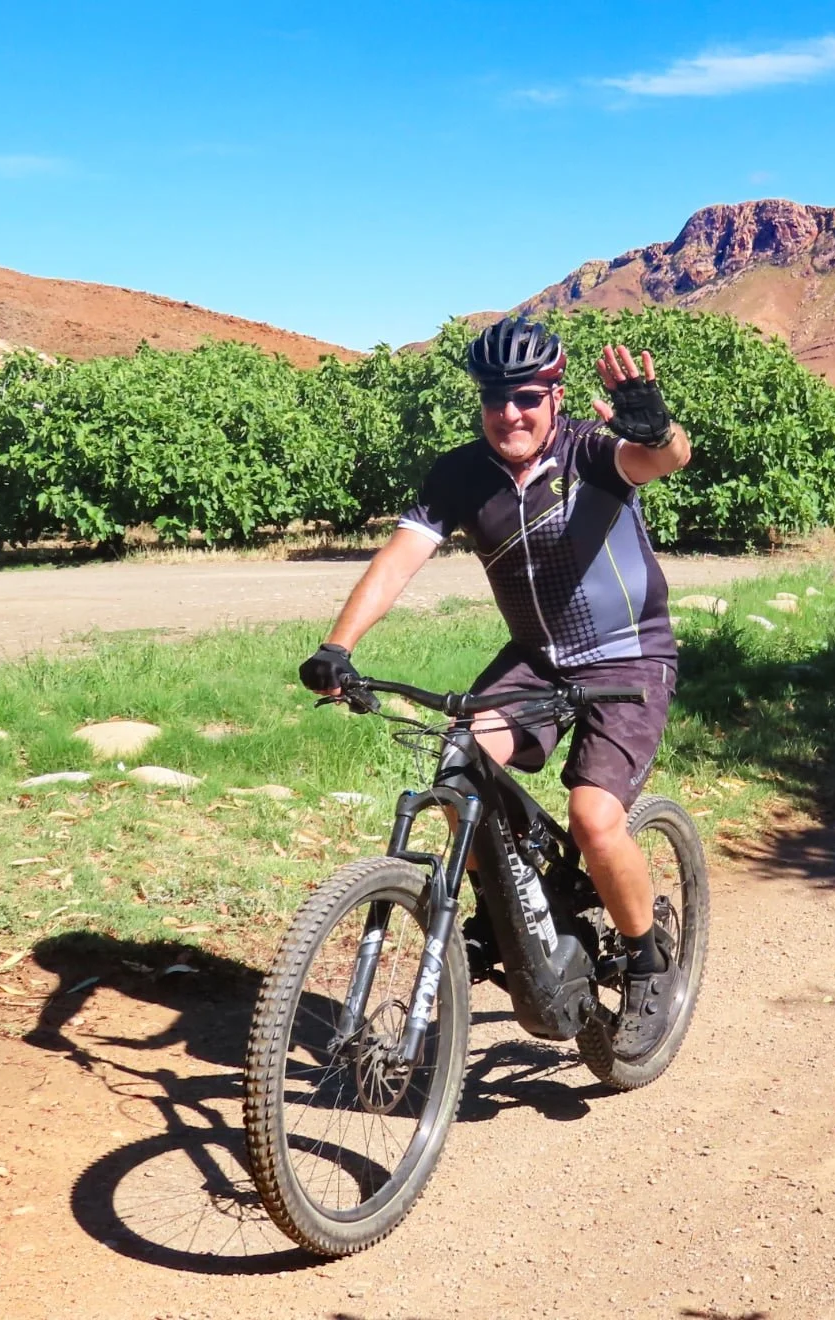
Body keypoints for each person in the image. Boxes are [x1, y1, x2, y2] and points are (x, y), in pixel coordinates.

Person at [299, 316, 691, 1058]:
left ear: (555, 396)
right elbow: (399, 557)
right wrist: (337, 646)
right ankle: (511, 912)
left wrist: (660, 426)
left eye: (526, 397)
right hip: (537, 657)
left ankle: (647, 962)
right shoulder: (460, 475)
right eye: (494, 398)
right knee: (458, 769)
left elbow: (662, 459)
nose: (510, 412)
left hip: (628, 656)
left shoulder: (592, 454)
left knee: (594, 818)